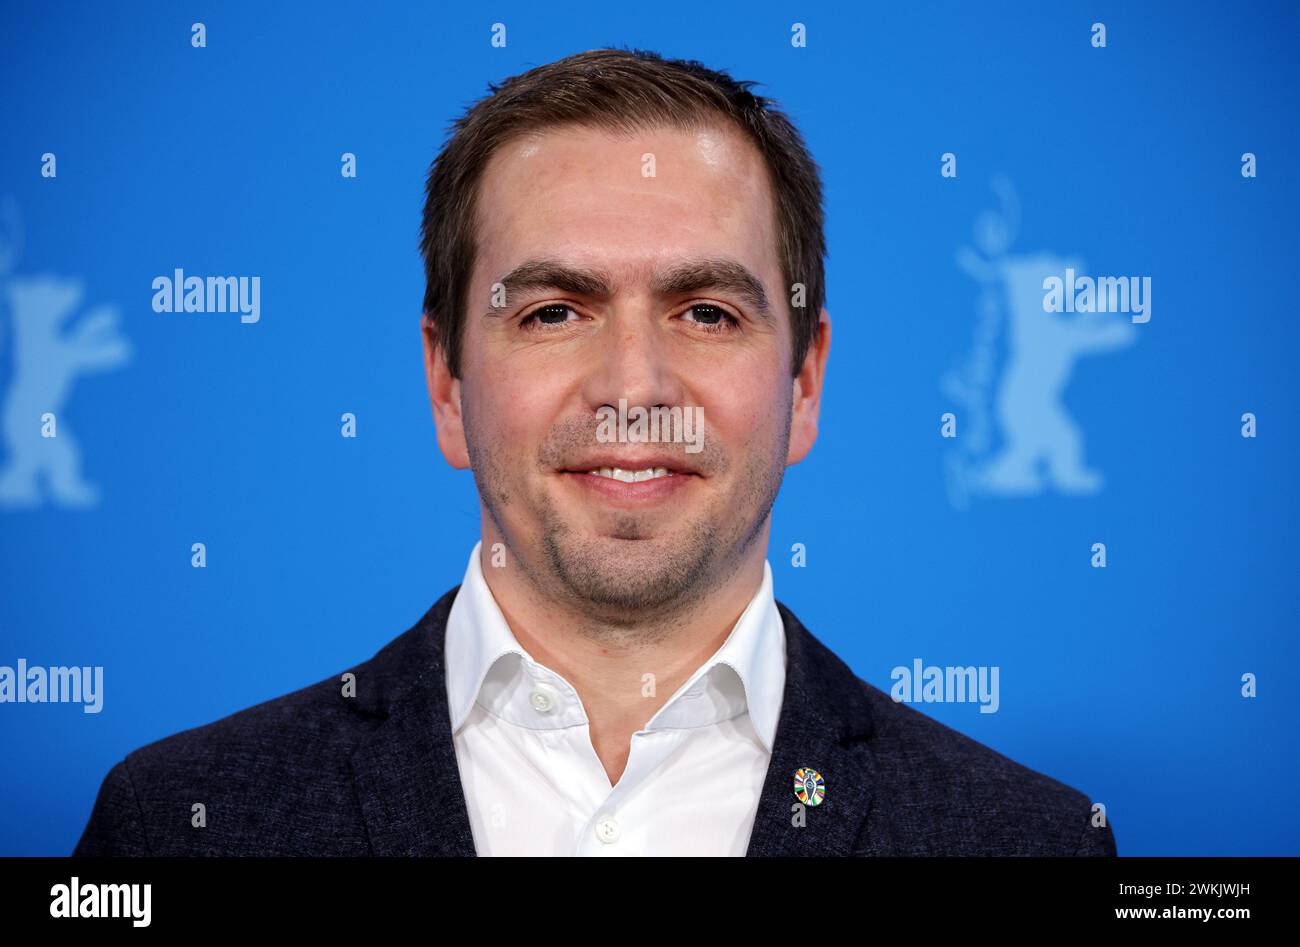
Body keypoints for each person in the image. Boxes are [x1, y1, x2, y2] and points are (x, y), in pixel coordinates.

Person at [74, 47, 1116, 857]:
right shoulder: (182, 822)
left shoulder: (1028, 839)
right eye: (554, 311)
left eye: (706, 312)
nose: (633, 387)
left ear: (804, 383)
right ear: (447, 384)